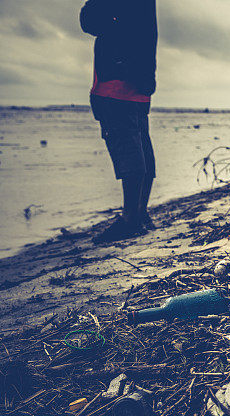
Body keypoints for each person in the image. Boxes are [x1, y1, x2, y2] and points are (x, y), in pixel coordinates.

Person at [80, 0, 158, 243]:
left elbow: (89, 20)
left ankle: (130, 220)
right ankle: (138, 213)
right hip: (139, 81)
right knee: (140, 147)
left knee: (130, 151)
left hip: (117, 83)